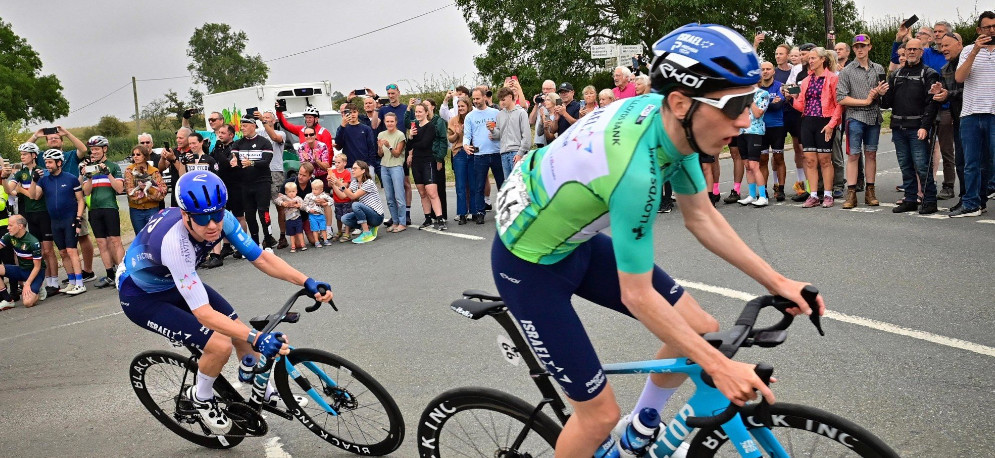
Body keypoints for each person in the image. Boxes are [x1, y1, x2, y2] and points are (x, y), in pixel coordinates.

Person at [490, 24, 824, 457]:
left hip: (574, 243)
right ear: (682, 102)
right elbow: (637, 295)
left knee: (702, 328)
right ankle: (616, 429)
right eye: (735, 105)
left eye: (751, 101)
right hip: (528, 268)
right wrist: (719, 367)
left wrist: (780, 283)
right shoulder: (635, 169)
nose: (746, 119)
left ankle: (643, 427)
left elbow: (702, 216)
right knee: (597, 417)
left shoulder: (669, 121)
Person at [118, 171, 333, 433]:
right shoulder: (175, 244)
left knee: (239, 332)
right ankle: (201, 396)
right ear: (185, 215)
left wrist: (307, 281)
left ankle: (257, 385)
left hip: (174, 282)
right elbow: (205, 315)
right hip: (141, 296)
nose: (212, 225)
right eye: (201, 218)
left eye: (216, 215)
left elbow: (262, 258)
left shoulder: (224, 219)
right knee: (220, 345)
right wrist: (258, 338)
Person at [881, 38, 942, 214]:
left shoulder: (929, 74)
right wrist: (881, 94)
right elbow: (886, 103)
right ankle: (910, 198)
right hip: (898, 126)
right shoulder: (896, 75)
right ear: (905, 52)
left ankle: (929, 200)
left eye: (916, 49)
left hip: (918, 127)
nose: (912, 52)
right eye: (909, 49)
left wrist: (925, 126)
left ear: (922, 52)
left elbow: (932, 104)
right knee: (905, 165)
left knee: (922, 166)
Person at [27, 126, 95, 282]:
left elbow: (83, 149)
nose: (52, 140)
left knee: (83, 236)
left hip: (73, 201)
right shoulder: (43, 156)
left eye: (56, 138)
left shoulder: (70, 155)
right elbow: (26, 152)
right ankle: (72, 276)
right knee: (64, 247)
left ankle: (88, 271)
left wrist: (67, 133)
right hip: (52, 203)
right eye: (50, 139)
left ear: (62, 141)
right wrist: (36, 136)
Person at [951, 11, 995, 217]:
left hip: (993, 113)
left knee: (991, 163)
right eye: (987, 27)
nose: (992, 30)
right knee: (971, 163)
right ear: (979, 30)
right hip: (970, 113)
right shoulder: (969, 49)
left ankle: (982, 200)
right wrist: (975, 52)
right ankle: (972, 203)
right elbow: (959, 78)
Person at [787, 47, 843, 208]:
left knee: (825, 160)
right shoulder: (805, 81)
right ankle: (813, 195)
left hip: (825, 121)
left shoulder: (832, 78)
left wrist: (832, 124)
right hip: (807, 121)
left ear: (822, 60)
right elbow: (801, 106)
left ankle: (828, 194)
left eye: (813, 58)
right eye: (809, 59)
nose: (810, 61)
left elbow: (839, 105)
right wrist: (792, 97)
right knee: (810, 160)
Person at [837, 34, 888, 209]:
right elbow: (841, 98)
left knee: (871, 154)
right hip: (855, 117)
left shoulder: (878, 68)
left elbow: (885, 97)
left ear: (869, 47)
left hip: (873, 116)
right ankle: (851, 193)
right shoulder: (847, 71)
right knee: (853, 155)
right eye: (857, 46)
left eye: (863, 46)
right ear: (853, 49)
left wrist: (881, 93)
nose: (860, 49)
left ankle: (870, 191)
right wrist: (865, 101)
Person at [28, 150, 86, 296]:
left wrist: (78, 219)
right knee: (62, 252)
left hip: (70, 219)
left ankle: (80, 283)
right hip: (55, 221)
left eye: (50, 162)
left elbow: (80, 200)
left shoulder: (70, 178)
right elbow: (33, 196)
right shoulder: (44, 180)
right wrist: (34, 181)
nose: (47, 165)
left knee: (72, 250)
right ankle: (72, 282)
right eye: (46, 162)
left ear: (59, 163)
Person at [7, 143, 60, 296]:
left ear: (34, 155)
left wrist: (20, 189)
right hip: (29, 214)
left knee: (48, 250)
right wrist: (5, 180)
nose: (22, 156)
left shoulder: (41, 172)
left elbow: (35, 195)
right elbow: (9, 189)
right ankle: (44, 282)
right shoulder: (21, 173)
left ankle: (54, 282)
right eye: (21, 154)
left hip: (43, 213)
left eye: (25, 154)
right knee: (40, 251)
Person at [80, 136, 125, 288]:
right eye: (92, 150)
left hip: (110, 207)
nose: (94, 152)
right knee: (101, 242)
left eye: (97, 149)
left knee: (115, 241)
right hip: (95, 209)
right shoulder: (90, 168)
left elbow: (119, 189)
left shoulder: (113, 166)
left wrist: (108, 173)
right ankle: (109, 275)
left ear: (104, 149)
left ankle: (122, 273)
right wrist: (88, 176)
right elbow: (86, 192)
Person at [231, 116, 276, 243]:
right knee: (249, 215)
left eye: (245, 125)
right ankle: (254, 242)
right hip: (245, 184)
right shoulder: (238, 143)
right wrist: (234, 160)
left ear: (253, 126)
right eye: (241, 125)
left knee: (263, 212)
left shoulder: (264, 142)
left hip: (262, 182)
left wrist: (251, 163)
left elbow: (266, 161)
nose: (242, 128)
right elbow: (233, 156)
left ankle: (268, 240)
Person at [935, 33, 966, 211]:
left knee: (974, 162)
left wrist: (948, 94)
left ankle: (977, 197)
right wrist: (939, 91)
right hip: (957, 118)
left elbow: (969, 91)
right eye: (942, 46)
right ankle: (965, 198)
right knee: (961, 162)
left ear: (960, 44)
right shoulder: (945, 68)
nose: (944, 49)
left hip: (974, 117)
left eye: (947, 45)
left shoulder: (970, 61)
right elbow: (947, 94)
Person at [464, 87, 502, 224]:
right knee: (479, 185)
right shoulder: (470, 116)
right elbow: (467, 135)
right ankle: (480, 212)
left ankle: (504, 211)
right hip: (480, 155)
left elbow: (502, 130)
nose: (475, 101)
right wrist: (465, 145)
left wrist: (496, 133)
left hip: (496, 153)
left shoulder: (496, 112)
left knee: (502, 184)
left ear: (485, 97)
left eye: (478, 98)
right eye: (473, 99)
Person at [736, 75, 773, 207]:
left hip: (755, 132)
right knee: (747, 166)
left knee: (754, 165)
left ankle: (763, 196)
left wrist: (749, 99)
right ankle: (752, 195)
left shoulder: (763, 94)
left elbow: (758, 113)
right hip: (741, 131)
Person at [407, 104, 445, 230]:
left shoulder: (431, 126)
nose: (418, 114)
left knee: (432, 192)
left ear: (426, 112)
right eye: (416, 112)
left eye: (420, 112)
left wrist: (413, 141)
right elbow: (408, 147)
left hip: (428, 161)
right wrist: (410, 136)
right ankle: (427, 218)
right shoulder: (414, 127)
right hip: (416, 162)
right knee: (422, 192)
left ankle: (440, 219)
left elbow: (424, 144)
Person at [330, 160, 384, 244]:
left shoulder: (369, 183)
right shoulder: (355, 182)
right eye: (352, 168)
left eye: (355, 168)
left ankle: (366, 233)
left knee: (355, 205)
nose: (352, 170)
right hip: (367, 215)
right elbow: (343, 196)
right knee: (344, 218)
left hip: (377, 216)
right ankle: (369, 227)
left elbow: (353, 196)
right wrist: (333, 184)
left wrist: (339, 184)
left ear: (363, 170)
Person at [0, 215, 46, 309]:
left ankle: (39, 287)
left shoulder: (33, 242)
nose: (8, 228)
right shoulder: (9, 236)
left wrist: (27, 284)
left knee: (27, 303)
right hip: (22, 270)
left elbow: (37, 267)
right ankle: (8, 300)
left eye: (10, 225)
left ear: (20, 226)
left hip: (36, 273)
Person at [758, 62, 787, 201]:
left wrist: (764, 103)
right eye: (762, 69)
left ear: (773, 71)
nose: (765, 71)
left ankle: (780, 189)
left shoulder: (780, 86)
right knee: (762, 160)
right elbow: (754, 107)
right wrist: (771, 101)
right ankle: (762, 190)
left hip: (777, 126)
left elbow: (778, 106)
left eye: (768, 69)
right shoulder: (756, 87)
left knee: (778, 158)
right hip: (760, 127)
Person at [490, 87, 532, 178]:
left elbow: (527, 137)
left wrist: (520, 153)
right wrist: (492, 130)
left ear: (510, 97)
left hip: (516, 152)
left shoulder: (521, 113)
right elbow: (498, 135)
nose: (501, 102)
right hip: (504, 153)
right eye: (500, 100)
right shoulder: (500, 114)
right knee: (509, 184)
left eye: (503, 99)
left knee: (518, 183)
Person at [125, 145, 166, 234]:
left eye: (138, 154)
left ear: (145, 156)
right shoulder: (129, 171)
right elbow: (130, 193)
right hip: (136, 211)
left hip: (153, 209)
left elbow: (162, 193)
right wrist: (152, 195)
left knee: (154, 236)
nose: (135, 156)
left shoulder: (154, 171)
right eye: (133, 154)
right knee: (140, 238)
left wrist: (147, 189)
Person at [259, 111, 285, 249]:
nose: (265, 119)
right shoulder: (258, 133)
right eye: (263, 117)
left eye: (268, 118)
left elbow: (275, 137)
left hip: (275, 170)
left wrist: (263, 122)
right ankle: (268, 236)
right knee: (264, 207)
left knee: (279, 204)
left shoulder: (281, 133)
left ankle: (282, 235)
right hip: (261, 171)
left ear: (274, 121)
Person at [379, 113, 408, 232]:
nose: (389, 123)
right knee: (389, 197)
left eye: (392, 121)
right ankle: (395, 221)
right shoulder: (381, 134)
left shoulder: (400, 135)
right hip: (384, 166)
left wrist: (389, 146)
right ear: (385, 122)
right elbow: (380, 154)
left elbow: (397, 154)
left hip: (396, 166)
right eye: (387, 121)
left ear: (396, 122)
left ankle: (402, 222)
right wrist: (380, 147)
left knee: (399, 196)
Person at [447, 97, 473, 225]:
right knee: (461, 185)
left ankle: (474, 211)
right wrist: (457, 134)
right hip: (459, 153)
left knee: (473, 184)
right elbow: (450, 139)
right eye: (459, 106)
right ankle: (462, 213)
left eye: (463, 106)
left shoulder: (474, 117)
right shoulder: (453, 120)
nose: (461, 108)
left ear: (468, 106)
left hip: (473, 152)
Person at [334, 104, 378, 172]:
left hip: (365, 166)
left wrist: (370, 164)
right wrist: (342, 126)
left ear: (358, 113)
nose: (353, 114)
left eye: (354, 112)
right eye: (350, 112)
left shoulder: (366, 129)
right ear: (346, 114)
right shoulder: (342, 128)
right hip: (349, 166)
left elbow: (371, 148)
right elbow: (338, 143)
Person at [275, 182, 306, 252]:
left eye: (293, 191)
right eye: (289, 192)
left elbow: (304, 206)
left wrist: (299, 206)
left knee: (299, 232)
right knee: (292, 234)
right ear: (286, 192)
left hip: (297, 218)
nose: (292, 193)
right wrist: (283, 203)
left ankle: (303, 244)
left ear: (296, 191)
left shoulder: (298, 198)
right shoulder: (284, 198)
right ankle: (293, 246)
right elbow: (276, 200)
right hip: (289, 219)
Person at [328, 155, 352, 241]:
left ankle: (347, 232)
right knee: (338, 216)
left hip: (346, 200)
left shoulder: (347, 173)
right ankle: (339, 231)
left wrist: (336, 183)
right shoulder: (333, 172)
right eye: (335, 162)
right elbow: (329, 185)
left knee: (346, 216)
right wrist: (330, 180)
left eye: (339, 162)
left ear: (344, 163)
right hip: (337, 199)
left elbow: (345, 185)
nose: (336, 164)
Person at [303, 180, 333, 247]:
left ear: (321, 189)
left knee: (323, 228)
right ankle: (317, 242)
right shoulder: (309, 196)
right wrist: (309, 210)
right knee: (315, 229)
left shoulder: (323, 195)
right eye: (313, 189)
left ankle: (325, 240)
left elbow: (332, 201)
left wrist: (325, 203)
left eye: (316, 189)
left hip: (321, 215)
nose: (314, 191)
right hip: (312, 215)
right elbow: (304, 205)